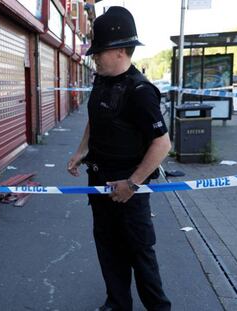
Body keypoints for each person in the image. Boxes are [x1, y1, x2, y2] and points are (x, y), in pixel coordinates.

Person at [67, 7, 172, 311]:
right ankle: (117, 303)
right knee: (108, 250)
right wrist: (81, 150)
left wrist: (132, 184)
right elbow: (94, 120)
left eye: (98, 50)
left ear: (119, 51)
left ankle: (158, 307)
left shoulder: (140, 92)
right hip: (99, 184)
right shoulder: (101, 81)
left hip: (129, 192)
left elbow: (162, 143)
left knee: (140, 255)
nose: (94, 56)